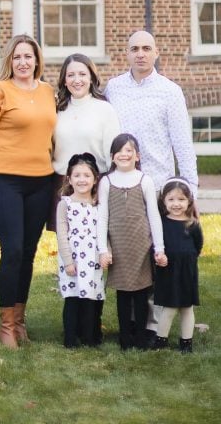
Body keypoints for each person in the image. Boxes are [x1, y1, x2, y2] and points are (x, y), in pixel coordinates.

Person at [0, 33, 56, 349]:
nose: (23, 62)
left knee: (30, 252)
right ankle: (6, 325)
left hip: (41, 180)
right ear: (10, 61)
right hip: (4, 180)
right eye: (17, 57)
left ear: (37, 60)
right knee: (14, 250)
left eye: (29, 56)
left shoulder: (48, 92)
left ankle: (20, 320)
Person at [104, 30, 198, 197]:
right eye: (134, 49)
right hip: (119, 185)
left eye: (146, 48)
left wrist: (191, 190)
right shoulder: (113, 88)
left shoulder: (170, 92)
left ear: (156, 52)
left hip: (158, 185)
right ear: (127, 53)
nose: (140, 54)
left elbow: (182, 144)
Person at [97, 133, 167, 350]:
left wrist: (159, 247)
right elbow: (103, 216)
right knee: (123, 293)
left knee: (141, 291)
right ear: (112, 156)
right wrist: (102, 249)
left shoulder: (144, 180)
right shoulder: (107, 182)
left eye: (129, 150)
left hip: (141, 244)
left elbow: (153, 215)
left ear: (137, 156)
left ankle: (141, 336)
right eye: (120, 150)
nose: (124, 154)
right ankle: (125, 337)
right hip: (118, 245)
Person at [49, 52, 120, 230]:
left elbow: (112, 155)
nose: (77, 80)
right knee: (67, 249)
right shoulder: (56, 110)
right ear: (64, 81)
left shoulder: (104, 109)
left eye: (82, 74)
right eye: (71, 75)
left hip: (95, 185)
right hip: (63, 185)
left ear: (91, 78)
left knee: (97, 247)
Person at [56, 152, 105, 349]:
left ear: (95, 179)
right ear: (69, 178)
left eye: (86, 175)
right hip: (73, 260)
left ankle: (90, 336)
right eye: (77, 175)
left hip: (93, 260)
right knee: (73, 298)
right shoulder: (64, 204)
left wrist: (105, 252)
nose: (82, 180)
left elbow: (104, 231)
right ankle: (70, 338)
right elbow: (61, 234)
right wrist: (68, 260)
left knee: (92, 297)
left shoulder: (99, 205)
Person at [153, 177, 203, 353]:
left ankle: (186, 342)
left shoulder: (193, 224)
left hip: (187, 271)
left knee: (186, 308)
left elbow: (198, 246)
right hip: (168, 270)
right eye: (171, 199)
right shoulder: (161, 223)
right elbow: (156, 243)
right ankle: (161, 340)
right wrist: (160, 257)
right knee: (170, 307)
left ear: (189, 201)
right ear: (163, 201)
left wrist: (187, 258)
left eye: (181, 199)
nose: (176, 204)